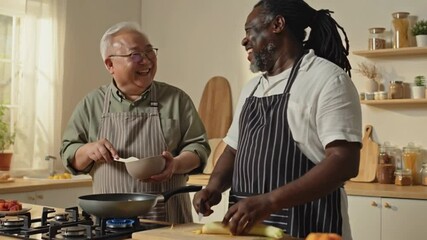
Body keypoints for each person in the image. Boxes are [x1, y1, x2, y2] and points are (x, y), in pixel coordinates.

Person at [193, 0, 362, 239]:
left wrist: (269, 202)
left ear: (278, 24)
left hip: (309, 226)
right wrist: (213, 187)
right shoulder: (252, 88)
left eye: (249, 31)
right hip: (247, 228)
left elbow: (344, 161)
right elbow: (233, 150)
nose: (244, 40)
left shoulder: (326, 79)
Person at [60, 21, 210, 224]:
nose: (147, 61)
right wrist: (88, 150)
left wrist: (175, 165)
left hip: (169, 222)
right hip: (109, 223)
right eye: (135, 55)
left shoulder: (177, 99)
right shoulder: (92, 103)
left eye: (150, 52)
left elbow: (198, 148)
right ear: (110, 65)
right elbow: (69, 155)